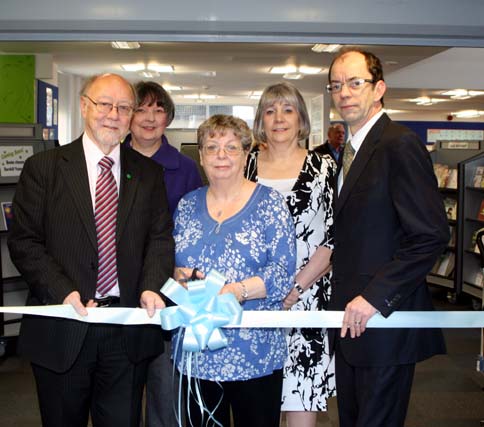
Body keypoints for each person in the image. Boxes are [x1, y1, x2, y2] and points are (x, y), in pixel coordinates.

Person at [8, 73, 175, 427]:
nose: (114, 114)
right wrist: (62, 291)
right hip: (63, 326)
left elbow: (160, 239)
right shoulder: (44, 169)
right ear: (84, 106)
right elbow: (24, 241)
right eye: (105, 104)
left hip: (125, 329)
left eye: (123, 107)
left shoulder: (148, 174)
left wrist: (150, 286)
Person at [327, 48, 448, 427]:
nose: (344, 92)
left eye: (355, 82)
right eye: (336, 85)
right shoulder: (349, 152)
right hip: (351, 324)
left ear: (379, 88)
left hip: (382, 321)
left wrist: (375, 297)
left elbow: (430, 235)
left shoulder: (399, 144)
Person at [172, 114, 296, 427]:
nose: (221, 156)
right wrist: (188, 286)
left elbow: (282, 272)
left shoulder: (270, 204)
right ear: (200, 156)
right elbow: (175, 267)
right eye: (212, 147)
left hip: (254, 352)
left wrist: (235, 291)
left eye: (231, 147)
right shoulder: (186, 206)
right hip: (197, 352)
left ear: (246, 154)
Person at [246, 81, 336, 427]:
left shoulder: (325, 167)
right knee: (256, 411)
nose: (279, 118)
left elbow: (333, 238)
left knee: (301, 415)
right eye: (270, 111)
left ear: (301, 119)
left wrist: (295, 288)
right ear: (260, 120)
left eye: (287, 110)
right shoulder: (245, 166)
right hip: (253, 303)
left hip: (306, 303)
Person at [126, 80, 202, 427]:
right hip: (120, 289)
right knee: (120, 391)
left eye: (159, 110)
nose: (149, 117)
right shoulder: (111, 160)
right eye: (141, 108)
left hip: (169, 291)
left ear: (168, 117)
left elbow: (200, 227)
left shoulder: (185, 168)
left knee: (165, 389)